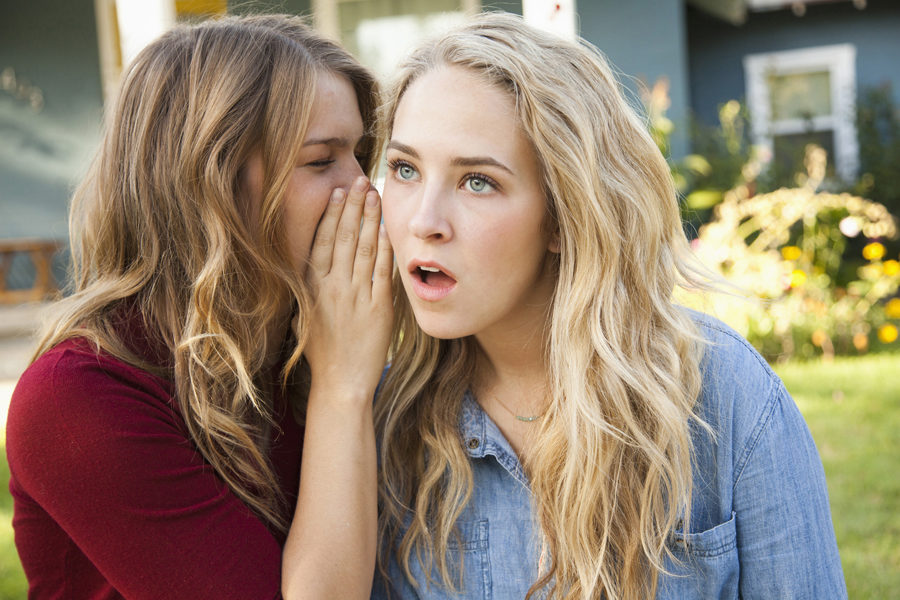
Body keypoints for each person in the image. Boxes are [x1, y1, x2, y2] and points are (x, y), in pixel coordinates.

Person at [372, 12, 846, 600]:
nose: (423, 221)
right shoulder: (388, 426)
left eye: (478, 182)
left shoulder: (723, 400)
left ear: (562, 215)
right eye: (404, 169)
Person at [5, 14, 392, 599]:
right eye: (321, 160)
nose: (365, 189)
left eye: (362, 155)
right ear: (208, 184)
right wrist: (343, 388)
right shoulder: (80, 397)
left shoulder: (300, 338)